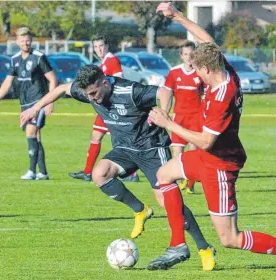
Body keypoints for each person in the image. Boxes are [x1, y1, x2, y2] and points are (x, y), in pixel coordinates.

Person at [20, 65, 217, 271]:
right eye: (88, 95)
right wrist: (35, 108)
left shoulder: (130, 91)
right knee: (100, 174)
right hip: (124, 148)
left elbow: (165, 92)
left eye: (95, 93)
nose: (93, 99)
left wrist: (163, 114)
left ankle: (204, 248)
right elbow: (61, 89)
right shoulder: (89, 92)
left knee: (169, 204)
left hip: (151, 148)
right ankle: (140, 210)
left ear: (105, 82)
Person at [147, 2, 276, 270]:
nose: (195, 74)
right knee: (164, 175)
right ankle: (177, 245)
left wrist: (168, 123)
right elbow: (206, 39)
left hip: (220, 164)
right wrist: (177, 15)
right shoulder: (224, 70)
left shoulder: (221, 97)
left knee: (230, 237)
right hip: (207, 157)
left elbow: (206, 141)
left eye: (196, 70)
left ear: (206, 70)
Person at [69, 34, 139, 182]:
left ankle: (131, 173)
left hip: (111, 107)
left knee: (120, 139)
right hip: (105, 107)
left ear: (107, 46)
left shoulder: (112, 60)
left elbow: (120, 80)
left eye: (101, 46)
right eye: (96, 47)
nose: (99, 49)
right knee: (97, 136)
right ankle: (88, 172)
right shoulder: (103, 63)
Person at [0, 27, 57, 180]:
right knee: (36, 137)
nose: (25, 43)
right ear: (17, 42)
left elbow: (52, 79)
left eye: (28, 40)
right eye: (22, 41)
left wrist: (49, 102)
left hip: (38, 102)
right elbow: (8, 81)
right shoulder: (14, 60)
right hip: (24, 103)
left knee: (31, 133)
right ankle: (44, 173)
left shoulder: (39, 57)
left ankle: (31, 171)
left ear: (31, 40)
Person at [162, 40, 204, 194]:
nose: (189, 57)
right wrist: (164, 112)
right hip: (179, 118)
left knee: (193, 151)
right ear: (181, 56)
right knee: (177, 152)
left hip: (196, 118)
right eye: (186, 54)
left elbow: (206, 95)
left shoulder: (201, 72)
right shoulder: (174, 73)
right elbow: (167, 93)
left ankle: (190, 184)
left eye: (191, 54)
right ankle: (178, 181)